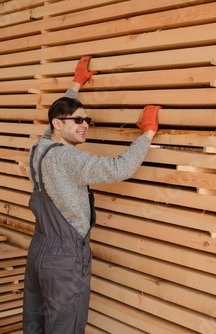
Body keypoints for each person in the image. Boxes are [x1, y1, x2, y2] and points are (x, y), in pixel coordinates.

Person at [23, 56, 161, 333]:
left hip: (40, 250)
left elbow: (58, 115)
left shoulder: (40, 147)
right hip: (64, 258)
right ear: (58, 125)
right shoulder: (66, 158)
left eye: (86, 119)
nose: (84, 124)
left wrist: (76, 83)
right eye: (77, 120)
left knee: (36, 321)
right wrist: (147, 133)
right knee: (66, 326)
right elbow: (118, 168)